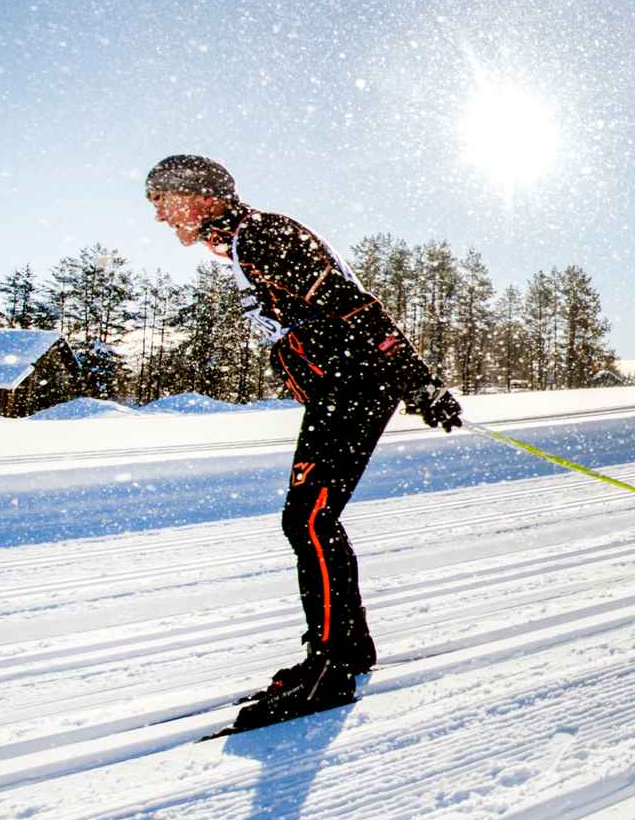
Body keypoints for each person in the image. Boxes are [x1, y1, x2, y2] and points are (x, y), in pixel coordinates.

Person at [145, 154, 463, 731]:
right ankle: (347, 647)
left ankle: (333, 665)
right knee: (310, 519)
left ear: (204, 196)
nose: (162, 216)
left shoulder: (265, 235)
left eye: (165, 200)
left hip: (357, 379)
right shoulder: (243, 245)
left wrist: (417, 379)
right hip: (341, 385)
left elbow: (355, 305)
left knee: (309, 520)